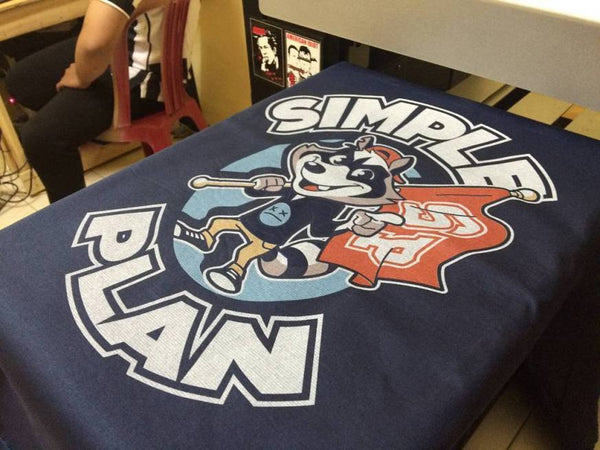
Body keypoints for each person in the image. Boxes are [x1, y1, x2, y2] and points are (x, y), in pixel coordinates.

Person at [5, 0, 169, 203]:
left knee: (40, 138)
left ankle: (74, 214)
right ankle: (78, 128)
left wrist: (81, 77)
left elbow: (93, 46)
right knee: (21, 80)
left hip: (145, 79)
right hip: (131, 44)